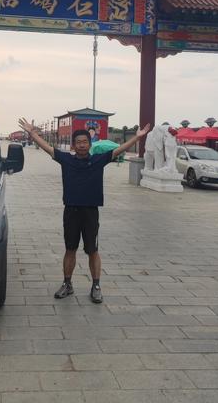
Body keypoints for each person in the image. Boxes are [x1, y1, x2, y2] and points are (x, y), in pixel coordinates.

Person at [18, 118, 151, 303]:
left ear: (90, 144)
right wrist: (33, 134)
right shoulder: (66, 159)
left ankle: (96, 286)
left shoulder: (98, 160)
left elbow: (118, 150)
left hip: (90, 212)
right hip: (71, 211)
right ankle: (67, 284)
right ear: (73, 145)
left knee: (92, 250)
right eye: (78, 142)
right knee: (70, 249)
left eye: (85, 142)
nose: (82, 145)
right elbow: (48, 148)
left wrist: (137, 138)